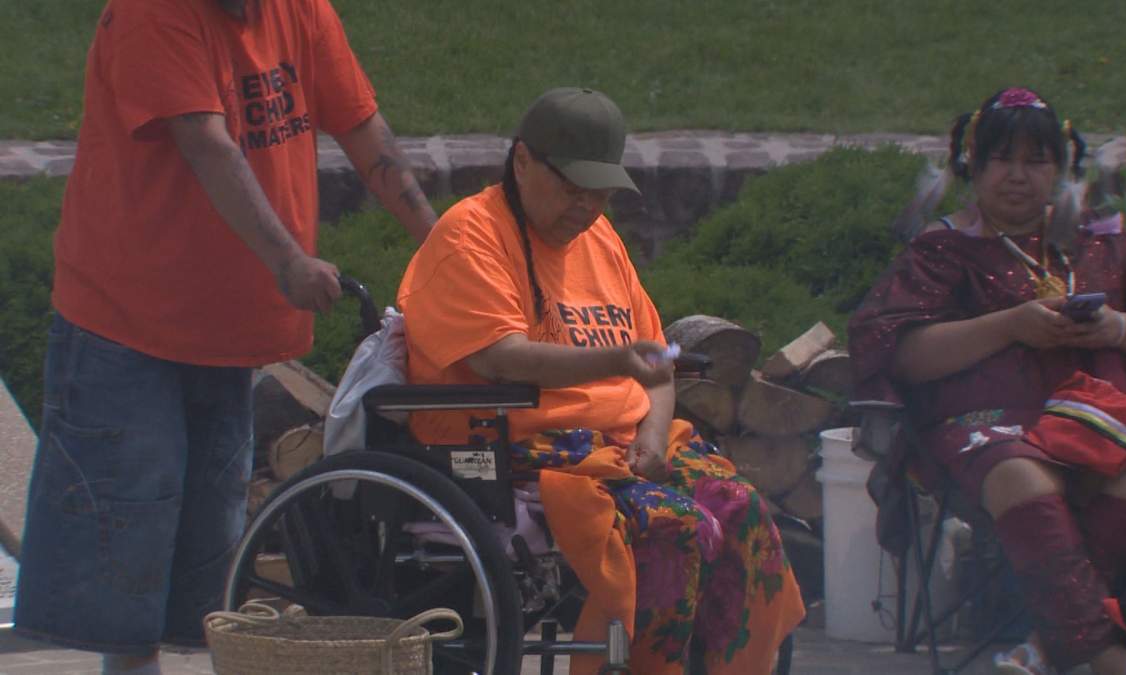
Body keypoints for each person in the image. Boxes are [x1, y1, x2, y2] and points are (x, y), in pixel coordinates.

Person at [13, 1, 436, 673]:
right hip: (126, 322)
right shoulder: (156, 14)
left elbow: (362, 126)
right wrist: (288, 262)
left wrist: (442, 248)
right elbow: (207, 142)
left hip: (223, 330)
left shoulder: (298, 9)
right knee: (128, 544)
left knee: (204, 565)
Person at [397, 87, 806, 674]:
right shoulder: (471, 235)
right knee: (671, 525)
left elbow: (656, 363)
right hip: (518, 445)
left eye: (602, 191)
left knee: (739, 508)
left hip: (623, 442)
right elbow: (499, 358)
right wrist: (615, 363)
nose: (587, 206)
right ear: (522, 162)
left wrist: (651, 437)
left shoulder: (601, 239)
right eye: (572, 187)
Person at [849, 87, 1126, 675]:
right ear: (973, 165)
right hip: (983, 424)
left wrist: (1115, 328)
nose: (1018, 176)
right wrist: (1010, 325)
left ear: (1060, 169)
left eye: (1036, 161)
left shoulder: (1103, 245)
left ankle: (1044, 645)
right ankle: (1110, 659)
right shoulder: (943, 252)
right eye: (1002, 159)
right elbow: (902, 353)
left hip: (1098, 417)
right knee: (1018, 473)